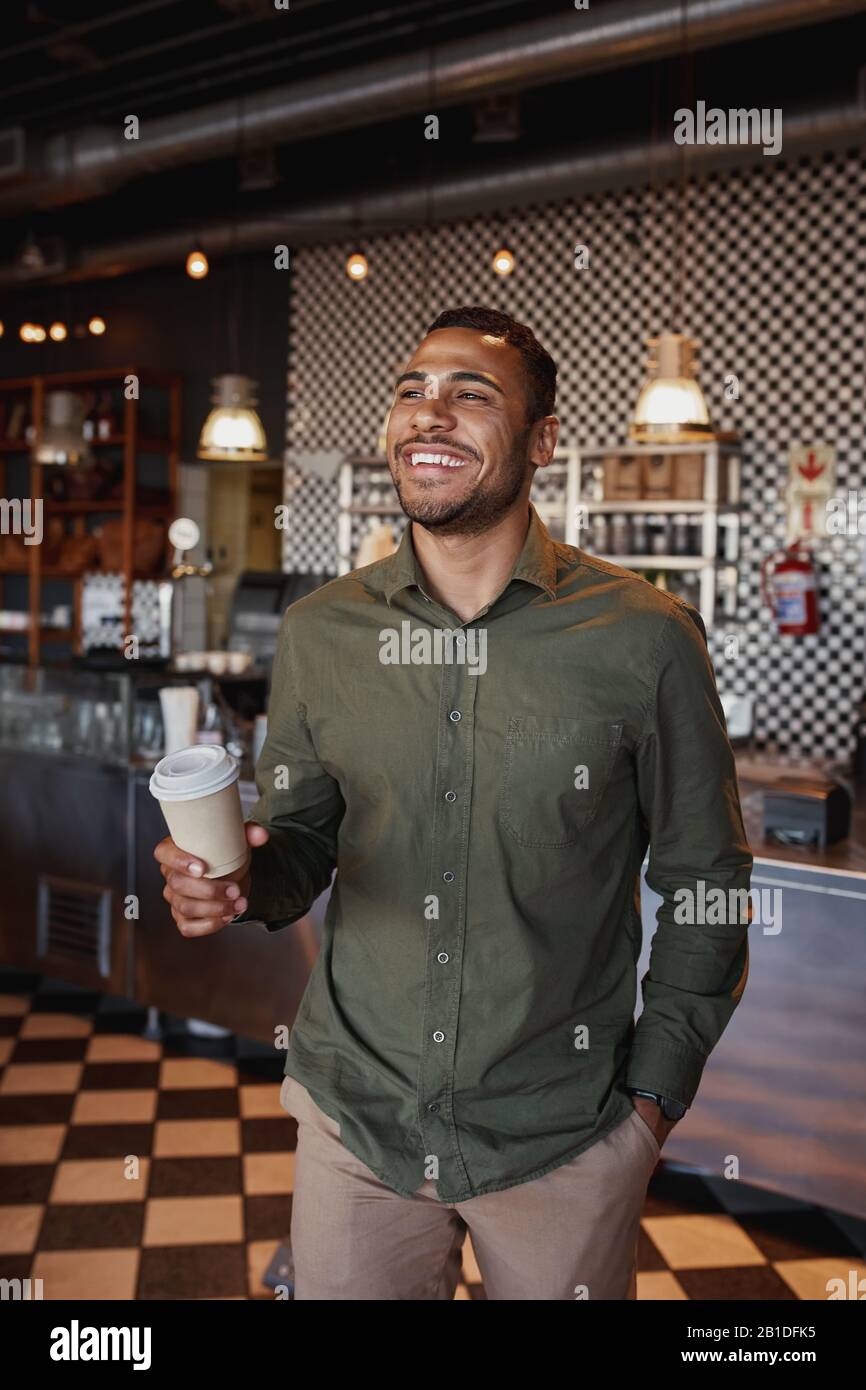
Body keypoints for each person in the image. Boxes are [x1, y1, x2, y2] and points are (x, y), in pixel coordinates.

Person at [155, 305, 752, 1300]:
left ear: (542, 441)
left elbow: (706, 880)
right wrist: (242, 879)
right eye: (411, 392)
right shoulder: (320, 632)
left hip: (560, 1130)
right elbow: (304, 840)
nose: (428, 414)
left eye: (470, 395)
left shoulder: (643, 639)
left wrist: (650, 1104)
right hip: (358, 1121)